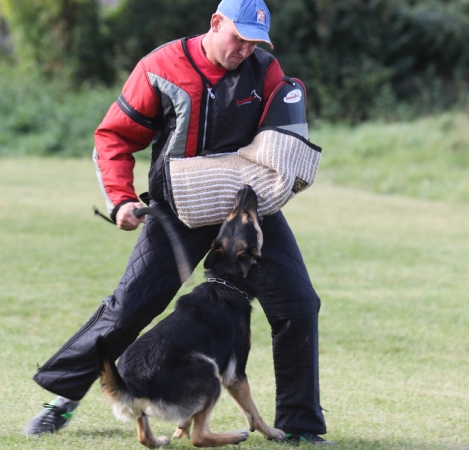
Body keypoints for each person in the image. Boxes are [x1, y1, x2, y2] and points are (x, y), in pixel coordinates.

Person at [23, 0, 331, 444]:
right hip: (178, 210)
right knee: (131, 305)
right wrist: (121, 200)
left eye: (254, 42)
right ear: (215, 23)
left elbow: (280, 139)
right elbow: (113, 137)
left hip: (244, 208)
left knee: (299, 304)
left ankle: (300, 426)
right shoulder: (161, 67)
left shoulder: (265, 70)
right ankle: (61, 400)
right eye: (237, 38)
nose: (245, 49)